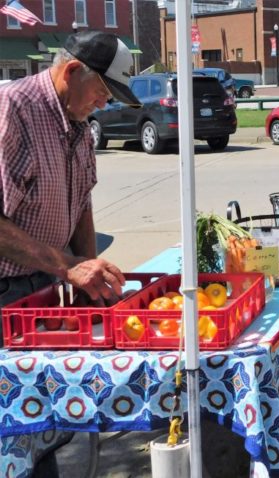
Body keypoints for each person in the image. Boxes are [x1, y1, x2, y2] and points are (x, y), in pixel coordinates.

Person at [0, 31, 141, 477]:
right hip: (5, 295)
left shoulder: (78, 124)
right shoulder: (14, 109)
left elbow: (81, 203)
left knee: (41, 426)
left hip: (41, 286)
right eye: (103, 90)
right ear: (73, 71)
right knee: (12, 431)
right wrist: (69, 266)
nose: (104, 102)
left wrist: (90, 279)